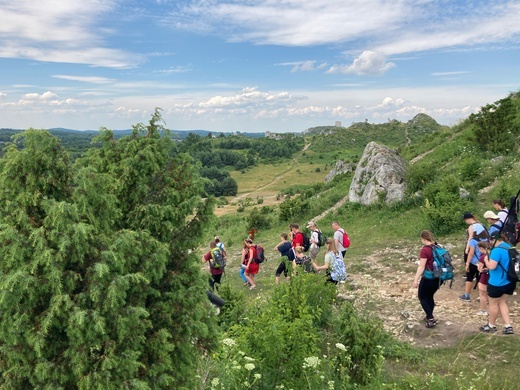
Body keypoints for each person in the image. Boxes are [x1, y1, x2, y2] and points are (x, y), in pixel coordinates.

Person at [479, 232, 516, 334]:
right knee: (502, 302)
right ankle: (508, 326)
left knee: (493, 304)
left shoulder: (496, 250)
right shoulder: (510, 247)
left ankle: (491, 325)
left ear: (493, 239)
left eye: (490, 241)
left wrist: (486, 260)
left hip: (496, 283)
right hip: (510, 281)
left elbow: (492, 266)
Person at [412, 230, 441, 328]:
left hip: (429, 277)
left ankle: (430, 318)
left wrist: (416, 279)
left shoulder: (425, 250)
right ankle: (429, 315)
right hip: (439, 277)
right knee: (429, 296)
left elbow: (421, 266)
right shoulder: (438, 246)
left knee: (422, 297)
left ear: (423, 239)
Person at [460, 224, 489, 302]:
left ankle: (467, 296)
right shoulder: (486, 239)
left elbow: (471, 253)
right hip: (483, 262)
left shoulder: (473, 241)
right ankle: (481, 296)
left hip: (473, 262)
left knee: (469, 278)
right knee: (481, 279)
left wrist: (467, 263)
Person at [476, 241, 490, 316]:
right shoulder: (490, 254)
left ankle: (483, 310)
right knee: (488, 293)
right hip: (490, 276)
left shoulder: (482, 257)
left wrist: (478, 265)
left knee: (482, 294)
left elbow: (480, 269)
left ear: (481, 248)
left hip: (484, 276)